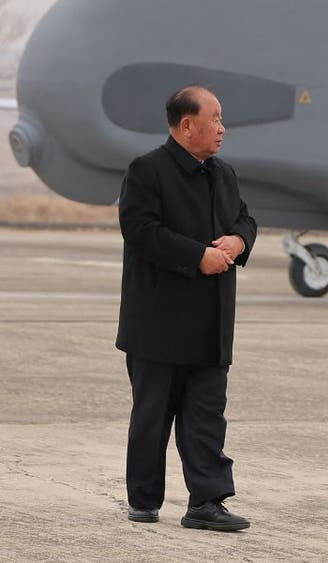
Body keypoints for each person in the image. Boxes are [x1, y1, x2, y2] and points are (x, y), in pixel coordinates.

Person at [117, 85, 256, 531]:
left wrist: (239, 241)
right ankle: (144, 499)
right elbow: (140, 229)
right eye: (215, 119)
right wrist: (198, 257)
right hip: (158, 323)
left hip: (211, 323)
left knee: (207, 418)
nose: (222, 128)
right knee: (152, 418)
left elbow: (245, 219)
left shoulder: (223, 173)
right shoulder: (147, 171)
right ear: (186, 125)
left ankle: (207, 502)